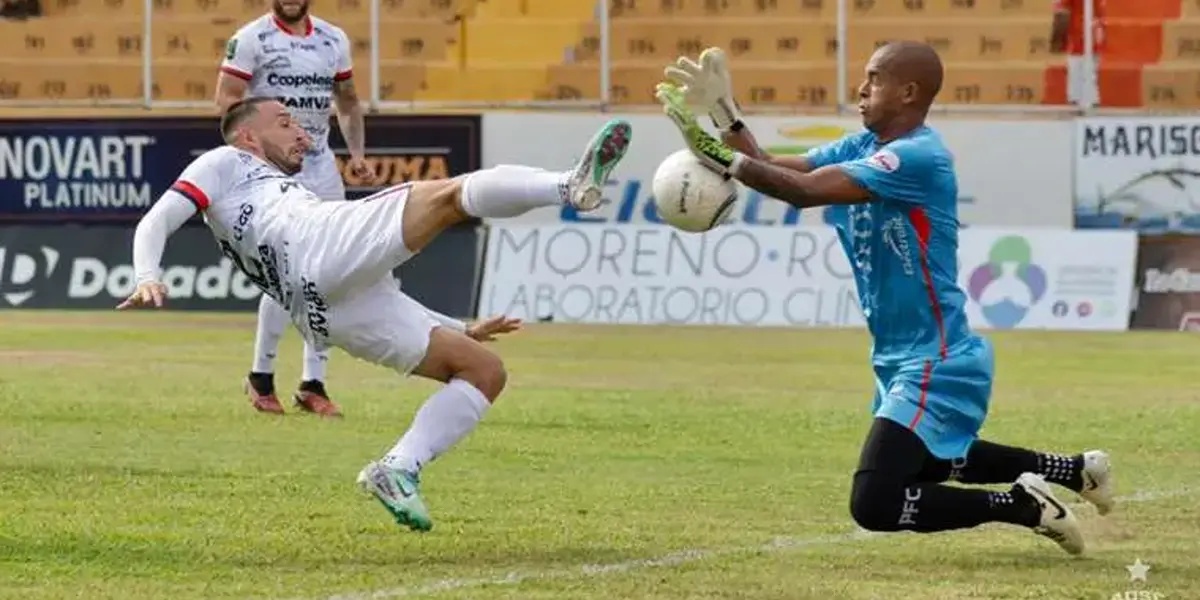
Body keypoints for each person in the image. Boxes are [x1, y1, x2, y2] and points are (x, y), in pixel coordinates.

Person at [656, 43, 1113, 555]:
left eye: (873, 78)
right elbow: (772, 168)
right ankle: (1075, 470)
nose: (861, 88)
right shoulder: (863, 148)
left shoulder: (917, 157)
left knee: (874, 502)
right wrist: (724, 115)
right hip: (898, 354)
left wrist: (715, 151)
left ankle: (1022, 506)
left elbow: (802, 192)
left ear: (909, 91)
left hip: (936, 358)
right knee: (939, 462)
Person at [117, 97, 633, 531]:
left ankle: (398, 469)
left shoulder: (273, 187)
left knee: (483, 369)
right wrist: (146, 273)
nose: (301, 134)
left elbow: (359, 283)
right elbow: (157, 219)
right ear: (248, 137)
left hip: (321, 309)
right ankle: (570, 186)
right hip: (316, 245)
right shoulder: (226, 161)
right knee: (452, 194)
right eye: (285, 123)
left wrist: (462, 328)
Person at [216, 0, 375, 417]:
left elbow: (348, 100)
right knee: (286, 271)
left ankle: (312, 383)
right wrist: (256, 150)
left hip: (322, 168)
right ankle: (261, 375)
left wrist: (356, 153)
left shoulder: (333, 38)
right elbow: (227, 100)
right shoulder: (250, 39)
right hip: (275, 170)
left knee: (330, 271)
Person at [1050, 0, 1105, 109]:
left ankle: (1079, 99)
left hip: (1080, 32)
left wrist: (1057, 39)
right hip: (1092, 29)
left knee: (1079, 65)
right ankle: (1088, 98)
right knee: (1089, 67)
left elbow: (1061, 12)